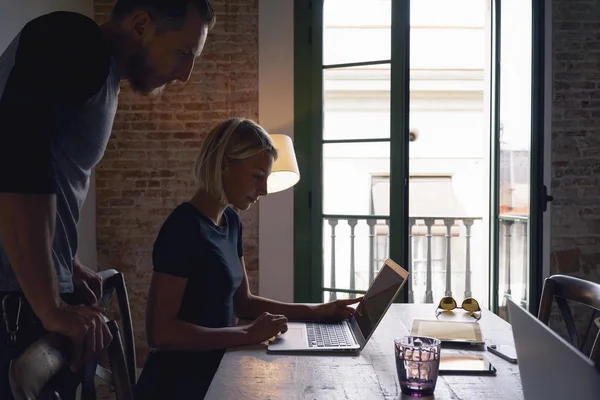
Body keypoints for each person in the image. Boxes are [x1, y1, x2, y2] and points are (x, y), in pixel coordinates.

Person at [0, 1, 214, 398]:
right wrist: (50, 305)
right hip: (15, 299)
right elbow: (17, 162)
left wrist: (68, 261)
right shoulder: (74, 40)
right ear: (140, 24)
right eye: (185, 53)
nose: (186, 75)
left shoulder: (100, 72)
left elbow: (50, 178)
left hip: (27, 289)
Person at [134, 118, 361, 399]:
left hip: (218, 364)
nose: (264, 189)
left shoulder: (231, 220)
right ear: (223, 165)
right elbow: (160, 332)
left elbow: (245, 303)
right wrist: (246, 335)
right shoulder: (182, 228)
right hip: (180, 382)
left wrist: (317, 311)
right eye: (257, 176)